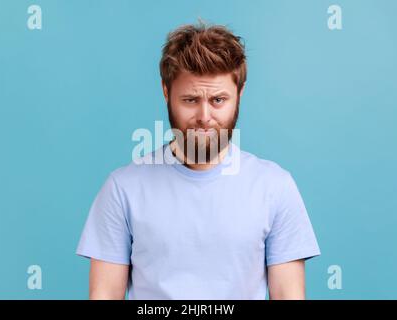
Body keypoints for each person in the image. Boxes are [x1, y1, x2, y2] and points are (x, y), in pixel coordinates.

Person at [76, 21, 321, 300]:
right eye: (191, 100)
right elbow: (104, 295)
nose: (205, 117)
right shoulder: (122, 188)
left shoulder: (275, 187)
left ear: (239, 95)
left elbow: (289, 295)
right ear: (166, 92)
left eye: (218, 100)